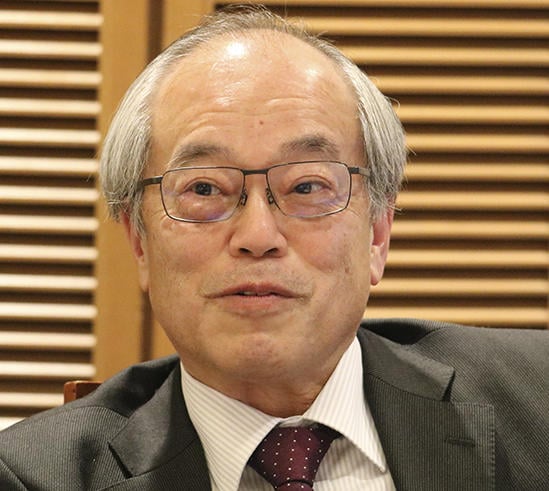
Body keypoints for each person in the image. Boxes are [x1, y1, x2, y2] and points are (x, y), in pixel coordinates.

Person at [0, 6, 547, 491]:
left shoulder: (536, 404)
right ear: (138, 242)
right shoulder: (32, 476)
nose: (258, 237)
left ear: (378, 232)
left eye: (307, 186)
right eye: (204, 189)